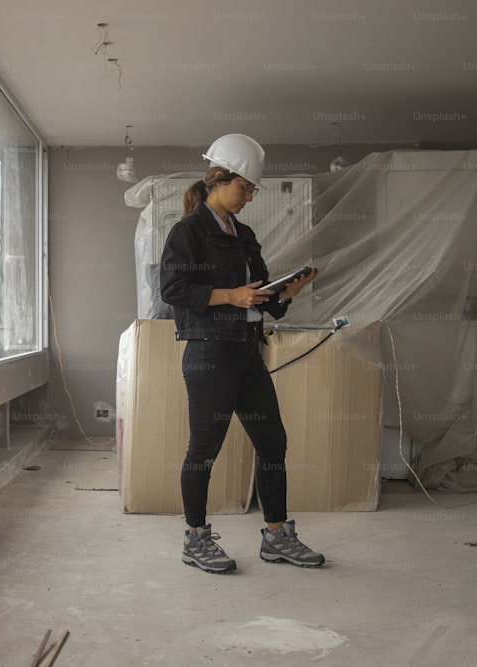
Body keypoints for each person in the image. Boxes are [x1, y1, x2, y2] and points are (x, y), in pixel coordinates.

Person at [159, 133, 323, 574]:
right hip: (210, 353)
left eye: (253, 189)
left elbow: (261, 298)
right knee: (204, 449)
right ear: (218, 178)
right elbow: (173, 290)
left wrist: (287, 290)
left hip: (247, 352)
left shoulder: (245, 234)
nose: (249, 195)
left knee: (273, 442)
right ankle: (195, 539)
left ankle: (276, 535)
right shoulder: (188, 231)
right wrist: (229, 295)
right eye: (245, 187)